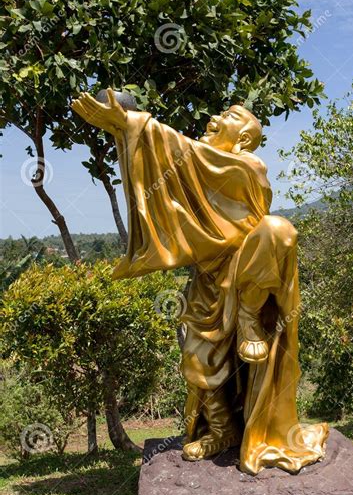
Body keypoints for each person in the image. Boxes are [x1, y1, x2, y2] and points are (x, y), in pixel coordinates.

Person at [71, 89, 328, 474]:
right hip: (210, 285)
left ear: (241, 138)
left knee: (278, 229)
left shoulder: (246, 167)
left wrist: (134, 122)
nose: (214, 118)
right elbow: (179, 166)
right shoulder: (202, 170)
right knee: (197, 359)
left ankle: (248, 315)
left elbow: (188, 155)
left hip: (248, 275)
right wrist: (127, 127)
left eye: (226, 116)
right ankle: (222, 430)